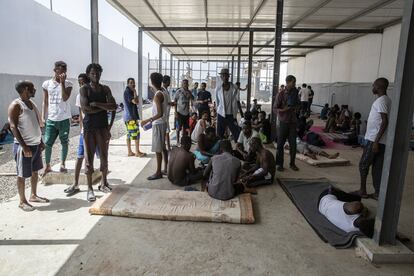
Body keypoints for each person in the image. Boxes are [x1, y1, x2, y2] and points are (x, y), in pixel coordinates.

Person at [8, 81, 48, 211]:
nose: (35, 89)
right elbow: (13, 126)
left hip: (35, 145)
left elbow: (36, 124)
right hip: (24, 147)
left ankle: (33, 195)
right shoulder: (16, 105)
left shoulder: (31, 104)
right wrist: (24, 146)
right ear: (26, 89)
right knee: (22, 174)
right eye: (32, 87)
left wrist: (40, 141)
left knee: (35, 171)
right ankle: (22, 201)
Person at [80, 63, 117, 201]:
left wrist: (97, 104)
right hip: (90, 128)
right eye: (93, 73)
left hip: (103, 127)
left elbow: (113, 106)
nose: (95, 75)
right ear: (89, 74)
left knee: (104, 156)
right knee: (88, 159)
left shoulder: (105, 88)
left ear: (101, 74)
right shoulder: (84, 89)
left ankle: (104, 183)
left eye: (97, 73)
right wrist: (104, 108)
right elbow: (85, 109)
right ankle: (89, 188)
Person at [353, 78, 391, 200]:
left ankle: (362, 191)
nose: (372, 87)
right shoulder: (386, 100)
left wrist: (375, 141)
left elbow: (384, 122)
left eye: (373, 85)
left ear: (378, 86)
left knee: (363, 164)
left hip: (374, 140)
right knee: (377, 167)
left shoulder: (381, 101)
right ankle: (378, 193)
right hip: (381, 141)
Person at [64, 73, 95, 196]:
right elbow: (80, 115)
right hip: (85, 132)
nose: (81, 84)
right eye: (79, 82)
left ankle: (99, 184)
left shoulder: (93, 94)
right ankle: (76, 184)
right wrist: (82, 130)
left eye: (83, 82)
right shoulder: (79, 96)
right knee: (80, 157)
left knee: (98, 157)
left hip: (95, 130)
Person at [41, 61, 73, 175]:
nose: (63, 73)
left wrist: (62, 83)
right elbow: (45, 101)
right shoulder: (47, 84)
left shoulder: (68, 84)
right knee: (48, 143)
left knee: (64, 142)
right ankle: (48, 165)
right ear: (55, 70)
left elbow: (65, 98)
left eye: (65, 71)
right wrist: (42, 117)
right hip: (51, 118)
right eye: (61, 70)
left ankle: (63, 164)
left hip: (64, 118)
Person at [141, 72, 168, 180]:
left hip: (158, 123)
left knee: (158, 149)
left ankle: (158, 172)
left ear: (152, 82)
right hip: (163, 123)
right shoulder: (163, 92)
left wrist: (147, 120)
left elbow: (159, 113)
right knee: (163, 147)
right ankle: (165, 168)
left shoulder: (157, 95)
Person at [274, 75, 300, 172]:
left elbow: (298, 104)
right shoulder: (280, 94)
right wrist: (284, 110)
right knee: (280, 144)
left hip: (292, 122)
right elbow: (274, 109)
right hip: (283, 122)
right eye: (293, 82)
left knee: (293, 144)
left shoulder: (295, 93)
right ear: (288, 82)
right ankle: (279, 164)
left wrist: (297, 107)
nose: (294, 84)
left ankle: (292, 163)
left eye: (295, 82)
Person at [215, 68, 243, 142]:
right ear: (221, 77)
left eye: (226, 75)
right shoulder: (218, 88)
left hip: (231, 114)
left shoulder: (234, 88)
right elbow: (217, 102)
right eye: (223, 76)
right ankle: (219, 150)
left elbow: (237, 100)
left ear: (228, 76)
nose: (224, 77)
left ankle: (238, 149)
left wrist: (240, 112)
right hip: (221, 114)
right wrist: (217, 111)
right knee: (219, 134)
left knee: (236, 132)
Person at [123, 77, 146, 157]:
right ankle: (137, 152)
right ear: (128, 84)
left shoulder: (128, 91)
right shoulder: (128, 92)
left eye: (134, 82)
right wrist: (135, 92)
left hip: (129, 117)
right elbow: (135, 101)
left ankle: (130, 152)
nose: (133, 84)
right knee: (136, 133)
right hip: (131, 117)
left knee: (129, 134)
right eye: (131, 82)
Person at [174, 79, 193, 143]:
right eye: (184, 83)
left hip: (186, 113)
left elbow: (192, 99)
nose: (185, 84)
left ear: (188, 84)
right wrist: (175, 112)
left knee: (185, 128)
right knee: (178, 128)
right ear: (182, 84)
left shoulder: (189, 92)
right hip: (179, 112)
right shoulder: (178, 91)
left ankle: (183, 141)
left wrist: (190, 93)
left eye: (186, 83)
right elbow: (175, 101)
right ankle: (177, 141)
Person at [162, 75, 174, 151]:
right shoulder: (163, 91)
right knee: (166, 131)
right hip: (163, 115)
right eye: (169, 81)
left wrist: (171, 103)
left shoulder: (166, 90)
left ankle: (167, 146)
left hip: (166, 115)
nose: (170, 82)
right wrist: (171, 103)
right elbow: (165, 102)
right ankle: (167, 147)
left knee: (166, 131)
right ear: (166, 82)